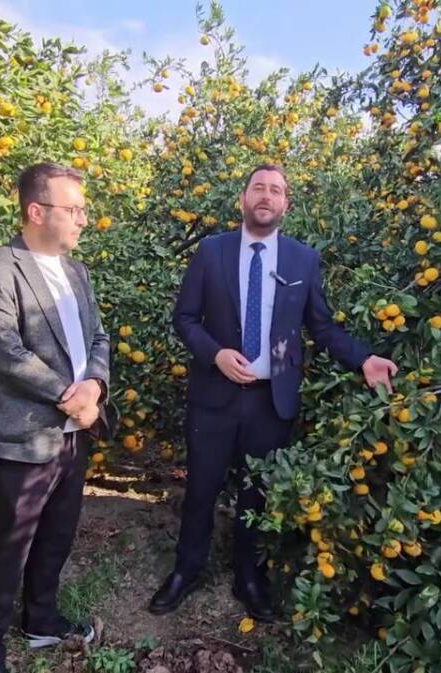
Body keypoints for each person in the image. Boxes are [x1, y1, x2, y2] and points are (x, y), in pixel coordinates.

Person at [148, 164, 398, 622]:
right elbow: (184, 318)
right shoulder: (212, 251)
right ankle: (187, 569)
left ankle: (250, 577)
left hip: (271, 400)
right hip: (214, 395)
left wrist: (363, 360)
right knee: (201, 487)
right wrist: (216, 354)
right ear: (243, 199)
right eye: (258, 188)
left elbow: (322, 327)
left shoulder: (303, 260)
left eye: (276, 190)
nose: (266, 196)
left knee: (257, 493)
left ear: (286, 204)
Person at [0, 162, 110, 672]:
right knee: (12, 543)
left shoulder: (77, 273)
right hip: (23, 436)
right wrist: (69, 394)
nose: (83, 219)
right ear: (36, 211)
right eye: (74, 209)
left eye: (83, 210)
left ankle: (40, 619)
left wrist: (95, 386)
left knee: (57, 534)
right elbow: (6, 352)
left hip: (74, 433)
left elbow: (99, 337)